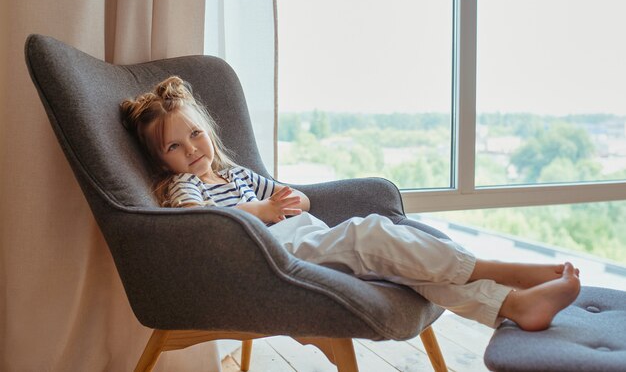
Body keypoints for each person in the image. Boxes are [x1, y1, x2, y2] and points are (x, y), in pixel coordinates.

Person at [120, 76, 581, 331]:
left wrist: (293, 197)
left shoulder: (234, 173)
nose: (192, 149)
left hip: (308, 236)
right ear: (162, 160)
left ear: (208, 130)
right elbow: (199, 227)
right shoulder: (184, 188)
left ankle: (514, 307)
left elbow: (282, 196)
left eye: (195, 134)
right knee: (371, 232)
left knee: (407, 274)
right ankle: (501, 269)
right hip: (277, 259)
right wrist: (262, 212)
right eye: (174, 147)